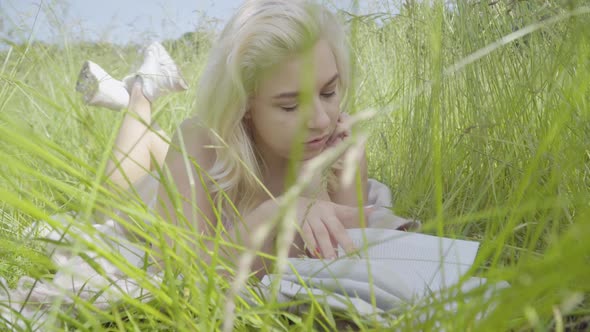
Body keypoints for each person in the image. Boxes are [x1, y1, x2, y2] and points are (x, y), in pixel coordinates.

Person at [76, 0, 371, 276]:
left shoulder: (340, 146)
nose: (321, 120)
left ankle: (147, 125)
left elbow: (353, 255)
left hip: (194, 172)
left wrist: (335, 176)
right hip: (164, 195)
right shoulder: (198, 142)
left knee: (165, 153)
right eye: (290, 106)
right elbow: (177, 272)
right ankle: (140, 93)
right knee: (105, 207)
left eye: (329, 92)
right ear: (243, 106)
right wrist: (275, 214)